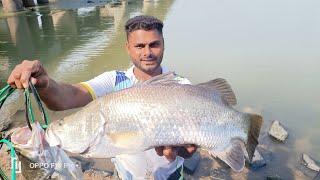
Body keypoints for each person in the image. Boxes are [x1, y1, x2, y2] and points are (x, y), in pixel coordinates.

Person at [7, 15, 197, 179]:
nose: (147, 52)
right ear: (128, 48)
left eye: (154, 44)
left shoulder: (181, 86)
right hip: (126, 176)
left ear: (163, 45)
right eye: (139, 46)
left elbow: (191, 146)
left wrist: (188, 149)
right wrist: (45, 84)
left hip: (171, 175)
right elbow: (69, 96)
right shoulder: (114, 81)